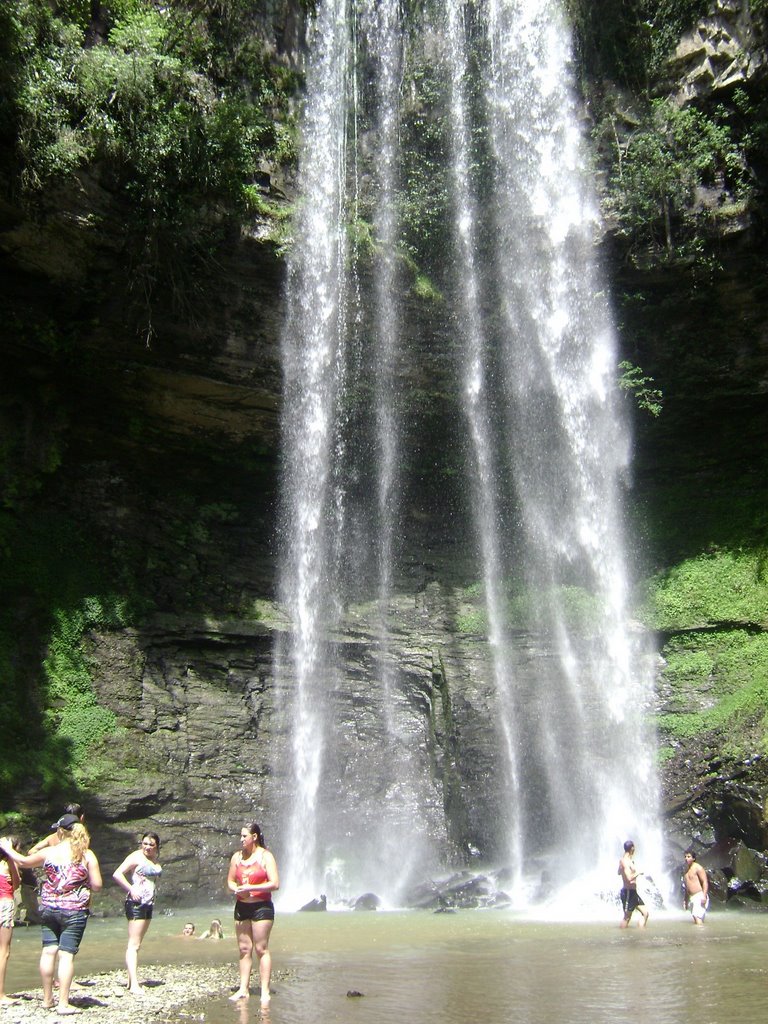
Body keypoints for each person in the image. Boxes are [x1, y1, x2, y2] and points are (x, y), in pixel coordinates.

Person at [0, 814, 102, 1014]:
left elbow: (24, 861)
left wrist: (8, 849)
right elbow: (97, 885)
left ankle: (47, 999)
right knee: (66, 956)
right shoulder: (87, 855)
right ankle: (63, 1003)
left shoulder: (49, 852)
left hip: (48, 908)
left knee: (48, 951)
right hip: (74, 910)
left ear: (61, 831)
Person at [227, 822, 279, 1008]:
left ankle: (264, 990)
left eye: (244, 836)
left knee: (261, 948)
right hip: (242, 906)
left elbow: (275, 883)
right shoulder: (236, 857)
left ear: (254, 837)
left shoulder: (266, 856)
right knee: (243, 949)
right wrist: (238, 890)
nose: (241, 839)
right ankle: (243, 989)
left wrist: (251, 888)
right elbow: (231, 881)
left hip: (261, 906)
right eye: (240, 836)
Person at [112, 832, 162, 994]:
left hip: (148, 903)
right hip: (136, 903)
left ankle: (130, 980)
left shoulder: (154, 858)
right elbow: (117, 874)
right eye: (145, 843)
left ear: (156, 847)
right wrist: (131, 888)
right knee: (133, 944)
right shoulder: (135, 856)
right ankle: (134, 984)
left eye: (151, 844)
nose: (147, 847)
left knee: (137, 944)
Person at [0, 837, 21, 1004]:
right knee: (4, 951)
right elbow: (16, 884)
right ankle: (0, 995)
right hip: (4, 905)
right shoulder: (10, 864)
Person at [618, 839, 649, 929]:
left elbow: (619, 872)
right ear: (632, 848)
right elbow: (628, 879)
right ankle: (622, 936)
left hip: (633, 892)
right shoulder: (625, 861)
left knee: (645, 913)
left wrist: (622, 868)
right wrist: (638, 872)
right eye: (634, 847)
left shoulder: (625, 860)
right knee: (627, 917)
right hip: (628, 892)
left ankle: (640, 932)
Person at [683, 849, 709, 925]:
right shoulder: (686, 871)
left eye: (688, 857)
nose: (686, 858)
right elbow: (687, 887)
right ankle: (701, 935)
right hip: (692, 897)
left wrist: (704, 896)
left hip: (699, 895)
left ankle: (701, 935)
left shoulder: (698, 868)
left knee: (697, 918)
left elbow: (705, 882)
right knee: (696, 918)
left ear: (693, 858)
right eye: (685, 857)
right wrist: (686, 900)